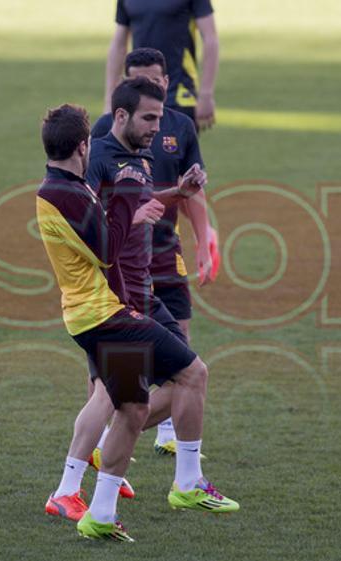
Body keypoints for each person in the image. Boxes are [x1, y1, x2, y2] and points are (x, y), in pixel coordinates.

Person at [37, 99, 238, 542]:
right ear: (84, 146)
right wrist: (129, 196)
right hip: (104, 317)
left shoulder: (64, 186)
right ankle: (187, 484)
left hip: (95, 314)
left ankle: (100, 514)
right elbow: (108, 250)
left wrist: (150, 199)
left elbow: (106, 228)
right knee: (193, 373)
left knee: (132, 407)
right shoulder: (64, 194)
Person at [94, 47, 216, 455]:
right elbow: (90, 211)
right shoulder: (106, 140)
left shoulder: (174, 128)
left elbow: (187, 191)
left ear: (167, 81)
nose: (154, 123)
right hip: (120, 272)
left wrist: (203, 235)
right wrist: (129, 218)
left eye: (155, 78)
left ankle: (161, 443)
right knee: (115, 384)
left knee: (182, 356)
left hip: (162, 255)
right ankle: (87, 460)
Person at [104, 0, 219, 131]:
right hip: (138, 97)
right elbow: (119, 45)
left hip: (179, 95)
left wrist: (206, 94)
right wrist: (110, 102)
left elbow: (210, 39)